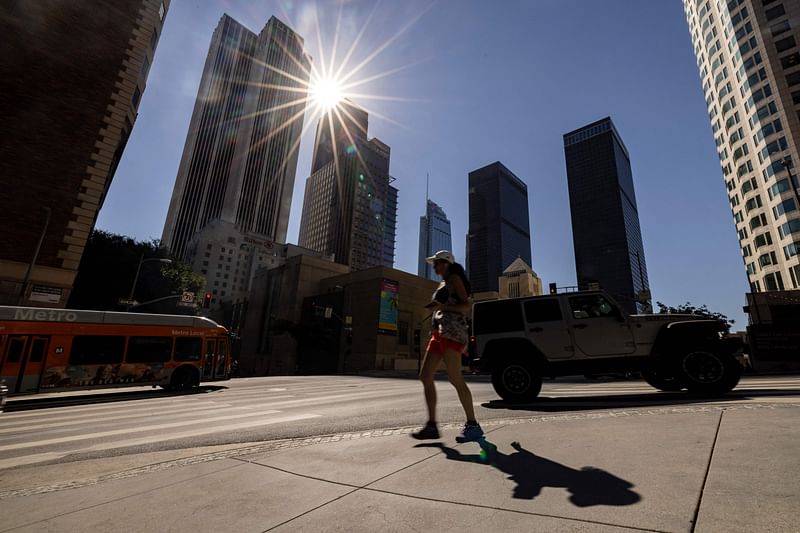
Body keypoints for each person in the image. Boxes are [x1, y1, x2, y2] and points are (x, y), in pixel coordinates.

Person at [412, 250, 483, 442]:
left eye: (437, 263)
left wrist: (442, 308)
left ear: (446, 263)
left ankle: (473, 425)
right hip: (439, 333)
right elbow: (442, 306)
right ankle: (432, 426)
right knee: (425, 376)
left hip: (453, 333)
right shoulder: (443, 283)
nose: (434, 267)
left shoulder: (454, 279)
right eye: (434, 264)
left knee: (455, 379)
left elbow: (466, 307)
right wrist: (435, 312)